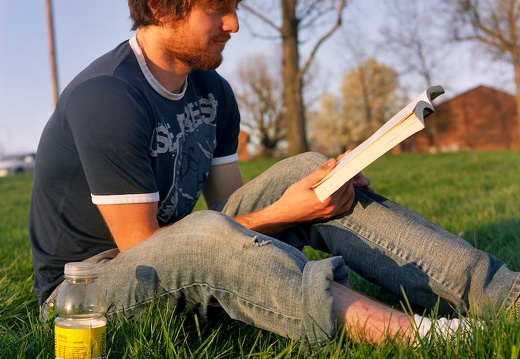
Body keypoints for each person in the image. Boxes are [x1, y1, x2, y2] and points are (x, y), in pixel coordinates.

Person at [30, 0, 519, 347]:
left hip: (178, 264)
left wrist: (321, 188)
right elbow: (146, 249)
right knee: (209, 234)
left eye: (235, 4)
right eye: (216, 8)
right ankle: (420, 338)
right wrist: (287, 211)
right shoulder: (108, 98)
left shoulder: (213, 92)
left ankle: (503, 295)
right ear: (160, 9)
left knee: (309, 173)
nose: (235, 23)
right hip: (87, 295)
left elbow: (234, 212)